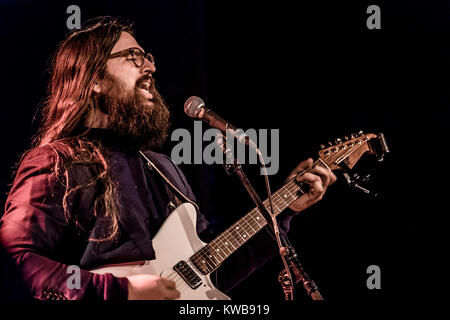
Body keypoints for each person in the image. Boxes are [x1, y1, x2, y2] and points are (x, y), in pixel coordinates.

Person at [0, 17, 336, 300]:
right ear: (95, 80)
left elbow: (209, 277)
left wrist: (286, 209)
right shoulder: (54, 162)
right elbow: (18, 261)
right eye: (134, 57)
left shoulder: (163, 168)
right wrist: (123, 291)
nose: (151, 66)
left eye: (147, 56)